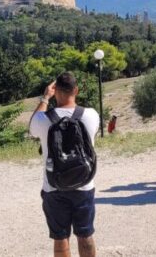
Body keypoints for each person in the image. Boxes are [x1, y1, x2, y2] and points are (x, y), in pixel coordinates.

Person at [30, 73, 100, 257]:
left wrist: (45, 98)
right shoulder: (91, 115)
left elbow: (32, 126)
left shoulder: (43, 120)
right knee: (85, 235)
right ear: (76, 90)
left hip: (54, 187)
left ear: (56, 91)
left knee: (60, 238)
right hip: (84, 184)